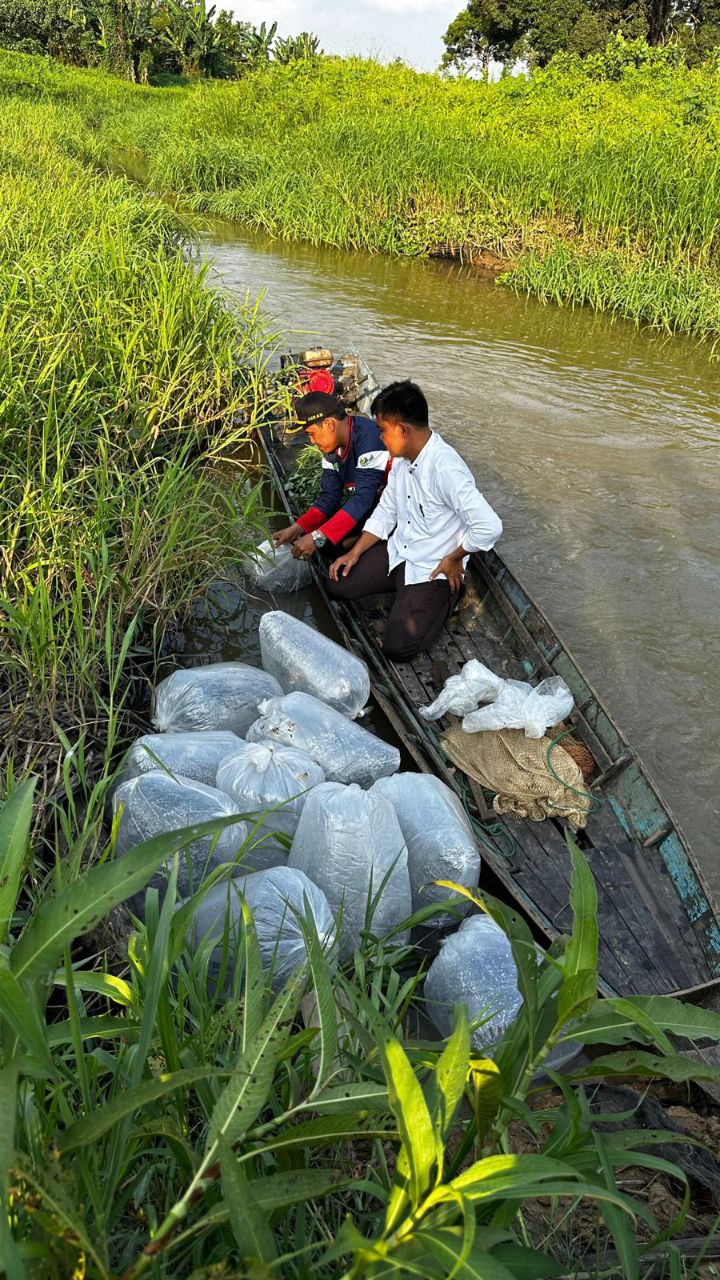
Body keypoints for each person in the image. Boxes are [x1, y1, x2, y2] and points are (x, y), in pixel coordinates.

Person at [328, 380, 502, 662]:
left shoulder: (445, 468)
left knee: (398, 648)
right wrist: (355, 552)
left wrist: (456, 557)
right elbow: (386, 511)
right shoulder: (402, 458)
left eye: (383, 430)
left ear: (403, 430)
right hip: (400, 551)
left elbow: (490, 526)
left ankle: (447, 598)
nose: (380, 437)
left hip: (432, 567)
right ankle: (403, 593)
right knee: (337, 583)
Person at [273, 391, 389, 561]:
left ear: (329, 424)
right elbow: (329, 496)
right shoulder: (330, 449)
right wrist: (296, 528)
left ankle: (379, 542)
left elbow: (363, 498)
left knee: (331, 547)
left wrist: (317, 537)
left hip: (391, 509)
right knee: (325, 547)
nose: (312, 441)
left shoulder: (369, 438)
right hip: (370, 502)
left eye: (312, 433)